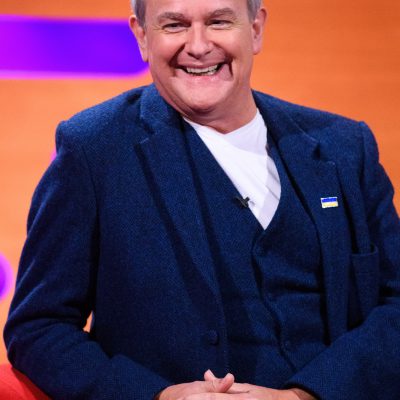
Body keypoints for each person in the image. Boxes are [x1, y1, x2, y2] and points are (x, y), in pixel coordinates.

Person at [4, 0, 400, 398]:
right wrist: (159, 396)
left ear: (256, 29)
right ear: (142, 36)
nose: (198, 46)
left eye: (219, 21)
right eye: (174, 25)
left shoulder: (345, 148)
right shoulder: (94, 150)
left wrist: (307, 395)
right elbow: (39, 328)